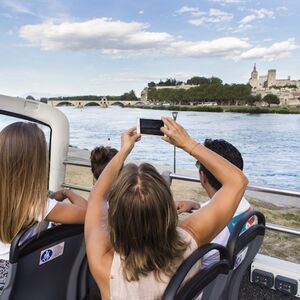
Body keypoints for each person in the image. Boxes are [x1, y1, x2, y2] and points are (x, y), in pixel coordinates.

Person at [85, 117, 248, 300]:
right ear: (167, 210)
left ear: (116, 217)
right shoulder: (190, 240)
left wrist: (124, 150)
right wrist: (188, 144)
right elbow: (237, 181)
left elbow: (96, 196)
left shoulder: (104, 265)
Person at [0, 122, 87, 293]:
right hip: (12, 278)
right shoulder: (40, 206)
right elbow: (90, 214)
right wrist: (68, 193)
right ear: (37, 164)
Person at [176, 138, 253, 267]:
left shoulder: (201, 239)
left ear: (202, 176)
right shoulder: (245, 208)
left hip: (200, 285)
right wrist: (197, 206)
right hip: (223, 281)